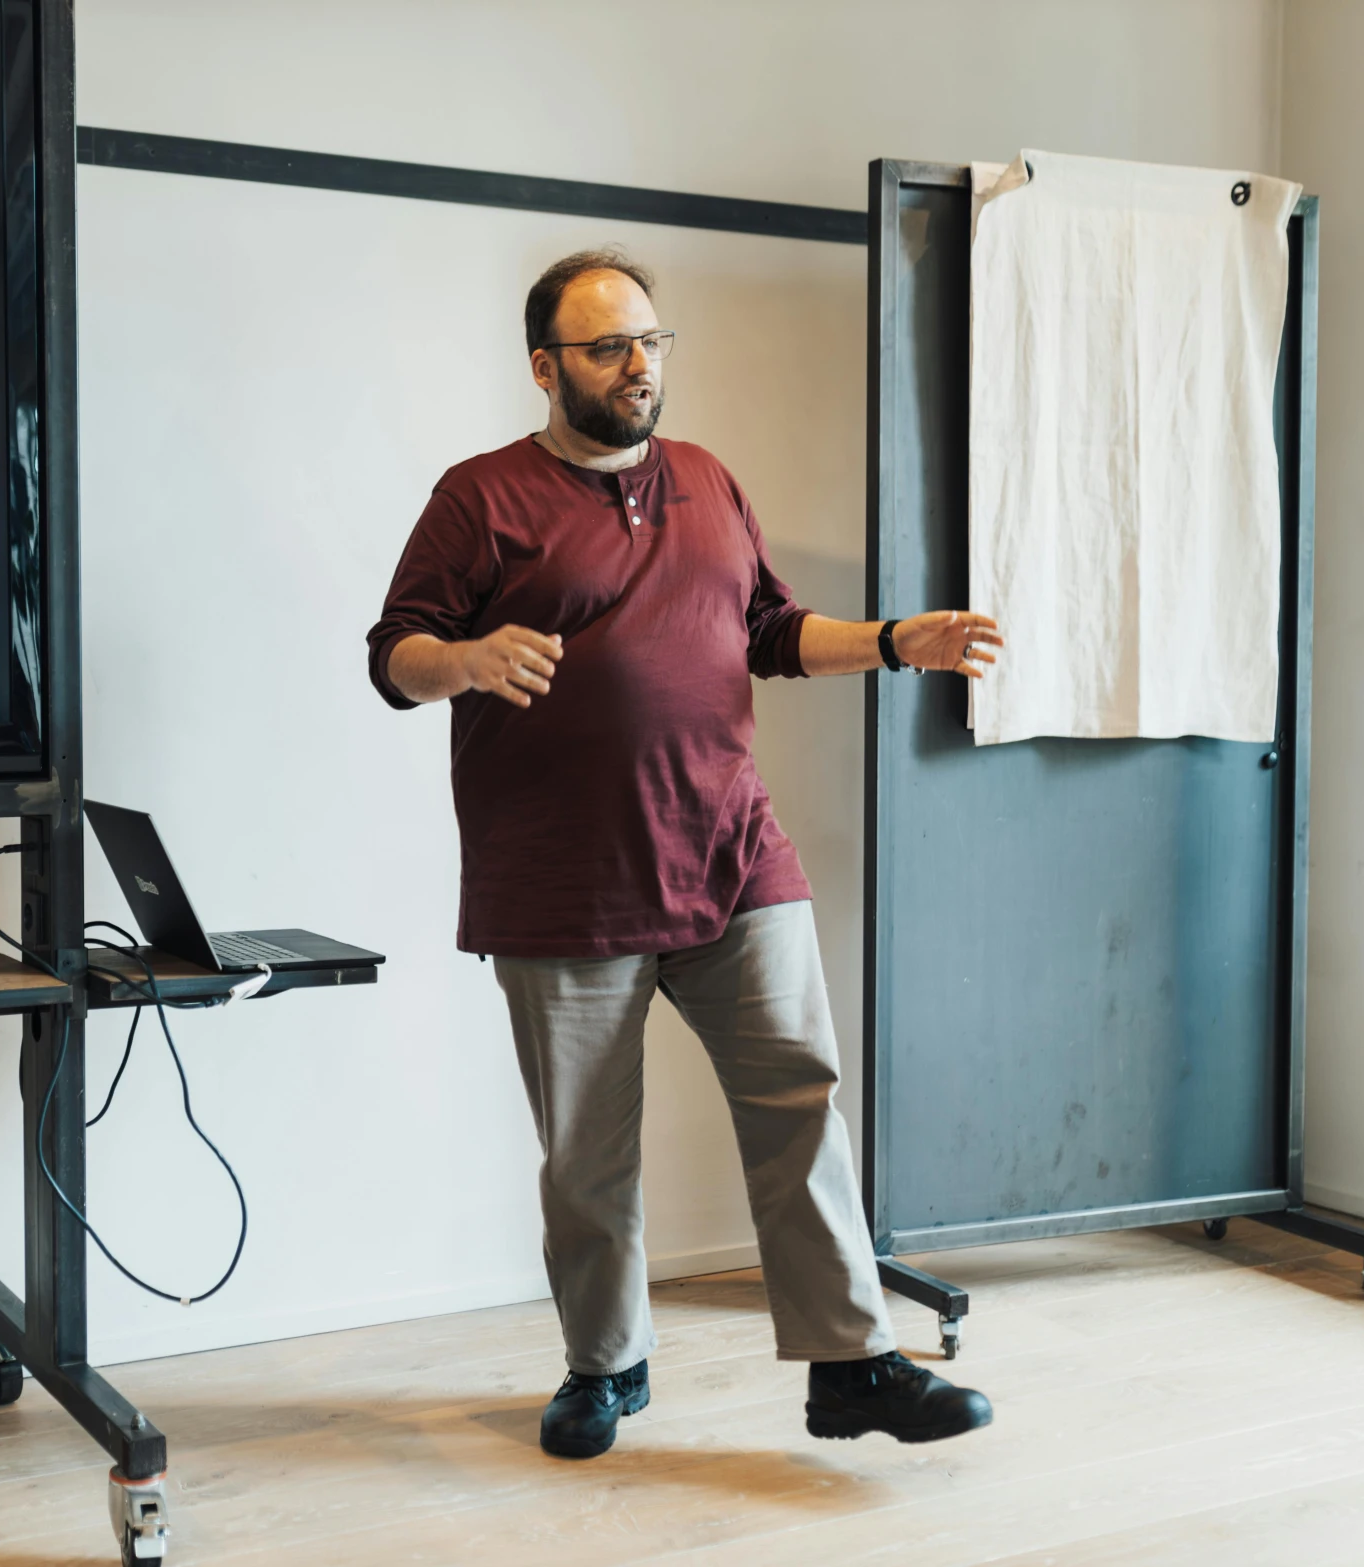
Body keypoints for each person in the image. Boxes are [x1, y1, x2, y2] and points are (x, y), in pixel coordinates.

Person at [365, 249, 1001, 1459]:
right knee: (587, 1154)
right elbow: (393, 652)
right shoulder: (479, 496)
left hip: (728, 849)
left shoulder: (706, 479)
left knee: (800, 1102)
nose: (639, 365)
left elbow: (765, 629)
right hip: (559, 876)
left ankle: (851, 1364)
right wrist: (466, 659)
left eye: (652, 341)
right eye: (608, 347)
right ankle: (604, 1368)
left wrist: (892, 641)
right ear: (545, 364)